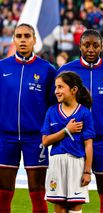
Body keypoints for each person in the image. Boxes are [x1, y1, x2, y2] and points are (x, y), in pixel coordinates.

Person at [58, 29, 103, 213]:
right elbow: (56, 101)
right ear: (80, 46)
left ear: (102, 46)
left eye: (95, 45)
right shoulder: (67, 71)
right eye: (87, 45)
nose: (91, 49)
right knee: (72, 194)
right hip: (75, 141)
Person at [0, 23, 56, 213]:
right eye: (19, 36)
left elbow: (53, 105)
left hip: (35, 138)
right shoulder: (2, 67)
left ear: (34, 40)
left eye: (26, 36)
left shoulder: (47, 69)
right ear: (14, 39)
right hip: (5, 137)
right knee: (3, 192)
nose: (22, 40)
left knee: (38, 191)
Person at [42, 71, 95, 213]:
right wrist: (66, 130)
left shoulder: (84, 113)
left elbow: (88, 144)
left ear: (74, 90)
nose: (56, 91)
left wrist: (87, 172)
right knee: (59, 208)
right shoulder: (51, 111)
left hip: (77, 164)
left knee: (75, 208)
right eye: (55, 87)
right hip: (56, 164)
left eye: (60, 87)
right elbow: (45, 141)